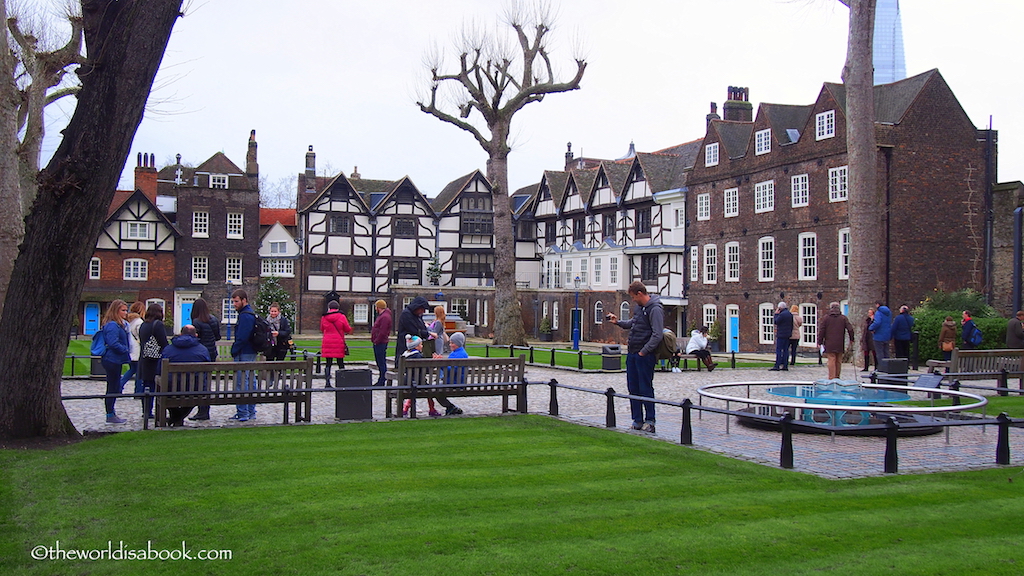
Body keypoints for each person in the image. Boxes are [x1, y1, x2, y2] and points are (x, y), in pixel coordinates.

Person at [607, 281, 663, 434]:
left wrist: (644, 352)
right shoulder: (640, 308)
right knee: (633, 387)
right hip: (633, 352)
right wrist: (618, 322)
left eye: (633, 297)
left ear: (640, 294)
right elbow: (634, 323)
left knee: (645, 387)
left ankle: (650, 420)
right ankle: (637, 420)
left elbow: (657, 334)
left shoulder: (655, 309)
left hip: (644, 355)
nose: (633, 300)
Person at [160, 325, 211, 427]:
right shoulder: (202, 350)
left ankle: (175, 417)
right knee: (196, 391)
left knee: (166, 390)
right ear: (196, 335)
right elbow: (207, 370)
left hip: (170, 389)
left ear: (180, 334)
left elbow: (159, 369)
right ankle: (178, 418)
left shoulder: (168, 349)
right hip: (195, 390)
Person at [188, 297, 220, 421]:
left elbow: (195, 339)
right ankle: (204, 410)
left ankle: (202, 410)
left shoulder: (196, 322)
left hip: (200, 354)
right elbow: (217, 337)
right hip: (211, 353)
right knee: (206, 382)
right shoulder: (214, 319)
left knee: (200, 383)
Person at [99, 299, 130, 424]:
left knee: (114, 386)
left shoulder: (118, 324)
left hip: (115, 359)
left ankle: (111, 412)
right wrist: (125, 349)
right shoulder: (112, 325)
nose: (126, 313)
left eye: (126, 310)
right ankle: (110, 413)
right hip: (112, 359)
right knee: (112, 387)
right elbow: (113, 343)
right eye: (123, 310)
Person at [230, 289, 258, 422]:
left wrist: (234, 350)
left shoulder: (245, 315)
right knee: (250, 381)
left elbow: (242, 337)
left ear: (244, 300)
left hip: (245, 352)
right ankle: (250, 411)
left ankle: (243, 412)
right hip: (250, 351)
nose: (234, 304)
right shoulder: (249, 314)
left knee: (242, 382)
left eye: (236, 301)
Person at [137, 303, 168, 421]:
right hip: (154, 359)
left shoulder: (144, 325)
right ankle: (152, 411)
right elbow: (163, 343)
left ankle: (146, 410)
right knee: (154, 385)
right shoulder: (158, 325)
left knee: (146, 385)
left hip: (144, 358)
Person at [399, 335, 442, 417]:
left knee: (412, 391)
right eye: (421, 344)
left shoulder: (404, 356)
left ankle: (405, 408)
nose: (422, 346)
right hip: (419, 382)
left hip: (406, 382)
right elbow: (425, 370)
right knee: (429, 391)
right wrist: (434, 362)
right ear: (416, 346)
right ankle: (432, 409)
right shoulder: (418, 356)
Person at [817, 302, 855, 380]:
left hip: (829, 343)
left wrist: (819, 342)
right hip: (840, 342)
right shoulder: (843, 318)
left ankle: (831, 377)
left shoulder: (826, 318)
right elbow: (850, 329)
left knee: (831, 359)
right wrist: (852, 339)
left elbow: (822, 330)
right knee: (838, 360)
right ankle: (837, 377)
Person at [320, 300, 352, 387]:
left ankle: (327, 383)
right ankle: (342, 382)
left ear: (329, 308)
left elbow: (322, 329)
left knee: (328, 363)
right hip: (338, 341)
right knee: (340, 363)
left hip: (327, 341)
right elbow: (347, 329)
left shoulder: (324, 317)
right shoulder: (342, 316)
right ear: (338, 308)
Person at [395, 296, 436, 360]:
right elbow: (414, 330)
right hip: (407, 345)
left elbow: (422, 327)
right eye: (422, 309)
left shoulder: (418, 316)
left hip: (417, 346)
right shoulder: (406, 314)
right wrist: (428, 333)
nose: (423, 311)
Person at [118, 301, 145, 395]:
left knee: (132, 369)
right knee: (138, 371)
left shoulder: (128, 320)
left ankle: (120, 385)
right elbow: (140, 335)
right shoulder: (139, 322)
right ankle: (137, 391)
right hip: (136, 349)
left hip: (130, 348)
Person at [370, 299, 393, 387]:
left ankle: (382, 379)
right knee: (379, 361)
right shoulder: (383, 316)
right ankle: (381, 378)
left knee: (381, 361)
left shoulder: (384, 317)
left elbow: (382, 331)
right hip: (379, 342)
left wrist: (376, 341)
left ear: (378, 307)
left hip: (380, 342)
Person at [770, 301, 793, 371]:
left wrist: (776, 314)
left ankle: (777, 365)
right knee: (786, 350)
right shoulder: (789, 314)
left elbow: (776, 322)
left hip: (781, 335)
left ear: (780, 308)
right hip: (787, 335)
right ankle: (785, 365)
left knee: (779, 350)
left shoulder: (781, 315)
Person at [861, 308, 877, 372]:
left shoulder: (874, 320)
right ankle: (866, 367)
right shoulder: (867, 320)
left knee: (874, 353)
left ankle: (876, 366)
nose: (869, 314)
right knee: (866, 352)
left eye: (870, 313)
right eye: (869, 313)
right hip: (866, 338)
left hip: (872, 338)